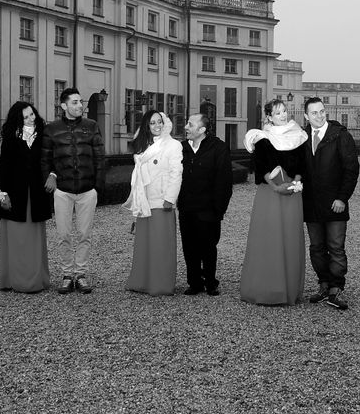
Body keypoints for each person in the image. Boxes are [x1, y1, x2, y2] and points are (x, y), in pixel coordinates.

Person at [240, 99, 308, 305]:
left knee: (289, 236)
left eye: (284, 111)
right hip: (270, 195)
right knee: (268, 236)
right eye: (278, 113)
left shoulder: (299, 135)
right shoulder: (262, 137)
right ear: (269, 116)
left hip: (292, 194)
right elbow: (261, 166)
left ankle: (288, 289)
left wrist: (295, 183)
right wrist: (276, 186)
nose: (283, 115)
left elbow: (302, 164)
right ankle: (265, 288)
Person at [41, 87, 105, 294]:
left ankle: (82, 275)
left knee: (85, 234)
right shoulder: (51, 129)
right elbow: (45, 159)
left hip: (87, 190)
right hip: (63, 190)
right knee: (63, 235)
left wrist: (98, 186)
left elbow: (100, 158)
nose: (80, 106)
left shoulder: (92, 126)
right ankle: (68, 275)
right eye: (75, 102)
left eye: (81, 102)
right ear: (64, 105)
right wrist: (50, 175)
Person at [302, 97, 360, 310]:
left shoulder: (340, 136)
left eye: (322, 111)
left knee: (336, 248)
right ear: (306, 116)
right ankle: (324, 285)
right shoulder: (302, 138)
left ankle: (336, 289)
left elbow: (351, 169)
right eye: (314, 113)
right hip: (311, 204)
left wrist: (342, 198)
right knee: (317, 248)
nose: (319, 116)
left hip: (335, 203)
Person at [123, 111, 183, 296]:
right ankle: (142, 281)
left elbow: (176, 173)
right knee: (144, 244)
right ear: (146, 126)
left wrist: (170, 199)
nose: (157, 125)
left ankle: (161, 284)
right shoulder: (142, 145)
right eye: (152, 123)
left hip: (161, 200)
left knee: (161, 245)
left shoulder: (173, 145)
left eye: (160, 121)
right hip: (145, 199)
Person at [0, 101, 51, 293]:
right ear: (18, 119)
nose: (30, 119)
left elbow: (51, 160)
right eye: (25, 117)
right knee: (16, 238)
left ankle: (36, 279)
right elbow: (4, 168)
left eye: (32, 114)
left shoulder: (44, 135)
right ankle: (12, 279)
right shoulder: (11, 137)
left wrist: (52, 175)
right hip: (15, 195)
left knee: (34, 239)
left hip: (37, 195)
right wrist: (2, 195)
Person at [178, 113, 233, 296]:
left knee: (208, 246)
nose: (186, 127)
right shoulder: (181, 148)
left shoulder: (218, 148)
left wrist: (219, 209)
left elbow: (224, 181)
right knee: (189, 246)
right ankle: (194, 282)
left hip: (208, 208)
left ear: (202, 130)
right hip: (187, 207)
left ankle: (210, 281)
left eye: (190, 124)